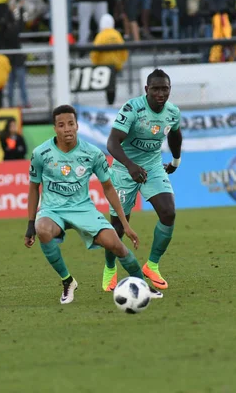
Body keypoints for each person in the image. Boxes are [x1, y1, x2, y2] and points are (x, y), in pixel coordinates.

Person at [24, 104, 164, 304]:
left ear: (77, 126)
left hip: (84, 209)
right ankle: (68, 281)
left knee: (115, 244)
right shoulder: (41, 153)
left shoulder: (93, 153)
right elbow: (33, 188)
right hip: (53, 210)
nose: (67, 129)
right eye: (61, 125)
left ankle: (141, 284)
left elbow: (108, 187)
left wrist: (125, 224)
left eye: (71, 124)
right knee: (42, 229)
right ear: (55, 128)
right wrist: (30, 225)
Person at [103, 69, 182, 292]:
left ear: (169, 90)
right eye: (155, 89)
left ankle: (152, 265)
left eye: (164, 89)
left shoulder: (173, 112)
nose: (160, 93)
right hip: (123, 168)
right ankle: (110, 268)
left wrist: (175, 161)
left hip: (153, 167)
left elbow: (175, 135)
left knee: (169, 212)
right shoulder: (132, 109)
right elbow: (112, 143)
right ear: (147, 90)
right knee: (117, 227)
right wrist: (130, 166)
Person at [90, 13, 128, 106]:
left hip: (104, 65)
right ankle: (111, 102)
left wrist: (95, 63)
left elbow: (95, 51)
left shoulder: (101, 36)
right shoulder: (117, 34)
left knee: (108, 86)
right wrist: (121, 62)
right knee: (112, 85)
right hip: (115, 65)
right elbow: (124, 50)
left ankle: (109, 102)